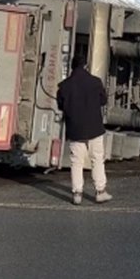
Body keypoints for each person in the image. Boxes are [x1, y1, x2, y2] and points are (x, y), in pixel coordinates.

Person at [57, 53, 112, 205]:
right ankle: (100, 191)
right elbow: (103, 100)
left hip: (75, 129)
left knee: (76, 162)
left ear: (72, 67)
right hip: (94, 127)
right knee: (97, 159)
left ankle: (77, 194)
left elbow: (60, 105)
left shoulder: (64, 86)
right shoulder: (95, 82)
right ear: (86, 66)